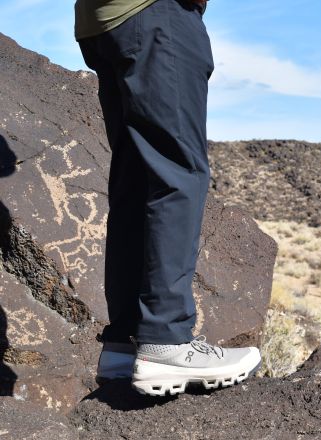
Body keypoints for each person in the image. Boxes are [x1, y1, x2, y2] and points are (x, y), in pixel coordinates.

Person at [74, 0, 261, 396]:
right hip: (156, 13)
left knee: (137, 181)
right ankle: (166, 341)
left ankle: (125, 345)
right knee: (178, 175)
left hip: (104, 21)